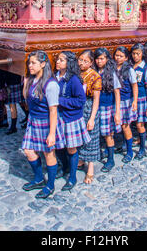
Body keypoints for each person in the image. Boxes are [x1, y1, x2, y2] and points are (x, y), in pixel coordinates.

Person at [21, 50, 65, 199]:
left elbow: (53, 110)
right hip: (33, 120)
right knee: (28, 150)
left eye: (33, 63)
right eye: (29, 63)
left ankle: (50, 185)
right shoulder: (33, 80)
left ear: (43, 64)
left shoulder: (51, 84)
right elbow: (26, 99)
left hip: (46, 122)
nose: (30, 65)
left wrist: (52, 133)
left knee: (48, 153)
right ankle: (39, 178)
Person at [55, 51, 90, 191]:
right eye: (57, 59)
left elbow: (81, 100)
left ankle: (73, 177)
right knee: (59, 146)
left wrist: (60, 101)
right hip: (58, 116)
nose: (58, 62)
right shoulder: (55, 77)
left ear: (69, 63)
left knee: (71, 147)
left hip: (70, 117)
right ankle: (65, 167)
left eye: (61, 60)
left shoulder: (73, 79)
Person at [94, 48, 121, 173]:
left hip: (107, 106)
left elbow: (117, 92)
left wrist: (117, 112)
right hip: (96, 106)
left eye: (102, 58)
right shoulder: (94, 72)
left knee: (108, 134)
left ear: (107, 59)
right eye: (97, 58)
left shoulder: (111, 73)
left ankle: (111, 159)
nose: (99, 61)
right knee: (98, 132)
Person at [77, 50, 102, 184]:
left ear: (91, 62)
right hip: (78, 106)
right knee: (79, 135)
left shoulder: (95, 76)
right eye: (80, 60)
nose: (81, 63)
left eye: (85, 61)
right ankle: (80, 159)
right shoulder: (76, 73)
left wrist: (92, 117)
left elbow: (96, 99)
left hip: (89, 106)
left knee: (91, 136)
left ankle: (90, 167)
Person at [113, 47, 138, 163]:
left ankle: (129, 151)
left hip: (126, 99)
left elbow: (134, 85)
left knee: (125, 125)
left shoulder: (129, 70)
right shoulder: (112, 68)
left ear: (126, 58)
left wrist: (135, 101)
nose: (118, 58)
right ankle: (122, 144)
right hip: (115, 100)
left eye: (121, 56)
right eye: (117, 55)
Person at [131, 43, 147, 159]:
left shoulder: (146, 68)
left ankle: (142, 148)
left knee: (140, 124)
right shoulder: (130, 67)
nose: (135, 56)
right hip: (131, 98)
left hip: (141, 98)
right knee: (133, 123)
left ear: (142, 54)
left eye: (138, 54)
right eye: (134, 53)